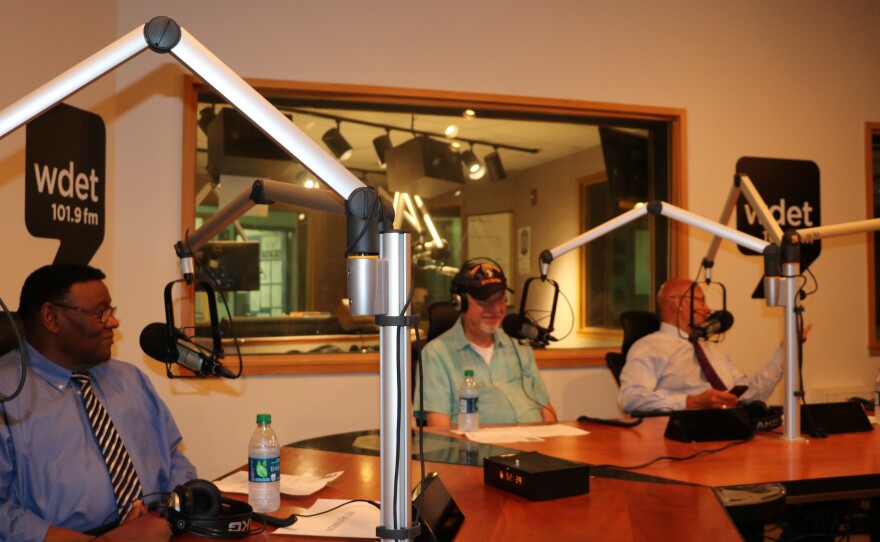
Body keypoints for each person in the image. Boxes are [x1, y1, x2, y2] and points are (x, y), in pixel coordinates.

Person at [0, 264, 197, 541]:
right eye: (99, 312)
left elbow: (175, 457)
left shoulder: (129, 378)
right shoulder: (7, 395)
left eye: (111, 311)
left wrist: (167, 516)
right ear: (51, 317)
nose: (113, 322)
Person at [415, 260, 556, 427]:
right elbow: (440, 431)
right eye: (485, 302)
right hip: (479, 450)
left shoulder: (519, 345)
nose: (495, 309)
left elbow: (547, 412)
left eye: (500, 300)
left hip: (536, 445)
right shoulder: (436, 354)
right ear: (460, 302)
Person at [618, 278, 785, 413]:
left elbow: (750, 396)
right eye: (701, 301)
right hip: (678, 440)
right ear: (680, 303)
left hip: (727, 432)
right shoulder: (649, 347)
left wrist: (785, 351)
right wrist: (689, 402)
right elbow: (631, 398)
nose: (707, 310)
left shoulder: (712, 351)